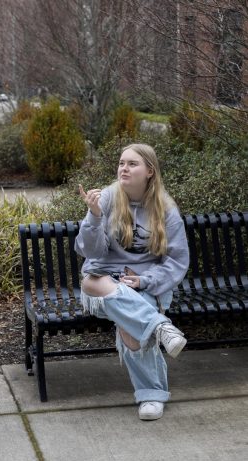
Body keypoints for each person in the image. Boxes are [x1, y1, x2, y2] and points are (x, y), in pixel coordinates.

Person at [75, 143, 189, 421]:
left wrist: (144, 281)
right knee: (91, 284)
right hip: (106, 281)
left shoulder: (165, 208)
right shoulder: (108, 198)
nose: (123, 168)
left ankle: (151, 395)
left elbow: (176, 262)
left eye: (132, 164)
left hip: (147, 284)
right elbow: (89, 251)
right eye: (121, 163)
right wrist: (94, 215)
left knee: (130, 326)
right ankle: (161, 328)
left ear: (149, 171)